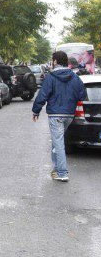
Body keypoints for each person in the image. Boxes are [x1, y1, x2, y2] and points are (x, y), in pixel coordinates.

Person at [32, 51, 87, 182]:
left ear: (55, 61)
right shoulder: (74, 77)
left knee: (59, 142)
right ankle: (56, 169)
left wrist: (36, 111)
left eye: (53, 60)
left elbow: (42, 95)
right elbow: (82, 95)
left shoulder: (51, 77)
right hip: (69, 114)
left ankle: (62, 172)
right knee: (57, 141)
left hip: (56, 115)